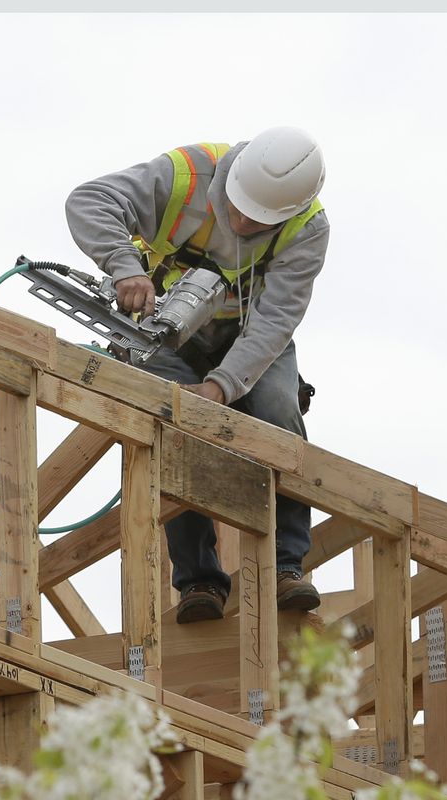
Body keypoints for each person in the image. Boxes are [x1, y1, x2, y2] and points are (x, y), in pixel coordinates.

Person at [65, 127, 329, 623]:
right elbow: (90, 200)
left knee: (277, 411)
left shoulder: (307, 228)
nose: (245, 221)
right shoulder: (186, 175)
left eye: (260, 220)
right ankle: (199, 581)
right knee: (174, 426)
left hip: (249, 334)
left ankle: (286, 566)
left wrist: (222, 386)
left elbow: (275, 321)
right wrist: (124, 267)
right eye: (239, 208)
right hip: (167, 327)